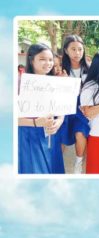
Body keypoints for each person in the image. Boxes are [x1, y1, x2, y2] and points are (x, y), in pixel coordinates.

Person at [17, 43, 65, 174]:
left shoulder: (55, 82)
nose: (48, 63)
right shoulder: (20, 83)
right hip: (29, 135)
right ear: (31, 60)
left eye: (50, 60)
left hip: (51, 134)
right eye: (42, 59)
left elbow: (62, 110)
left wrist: (59, 122)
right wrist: (35, 122)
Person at [60, 35, 91, 174]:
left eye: (80, 49)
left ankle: (78, 163)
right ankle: (57, 164)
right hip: (64, 107)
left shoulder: (89, 69)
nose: (77, 53)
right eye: (73, 49)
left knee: (80, 133)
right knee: (60, 136)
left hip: (81, 108)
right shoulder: (60, 69)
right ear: (66, 51)